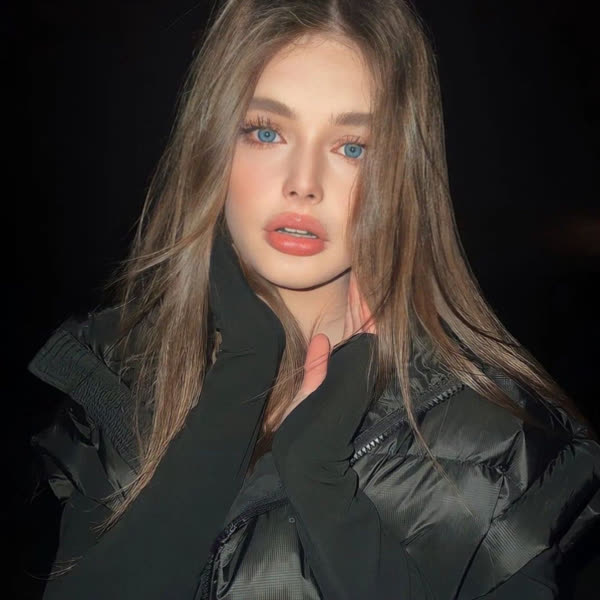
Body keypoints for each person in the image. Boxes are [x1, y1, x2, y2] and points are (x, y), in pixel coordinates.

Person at [27, 1, 599, 599]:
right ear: (212, 146)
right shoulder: (123, 374)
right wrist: (239, 380)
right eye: (266, 132)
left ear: (403, 175)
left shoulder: (497, 444)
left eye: (353, 147)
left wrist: (322, 483)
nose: (303, 183)